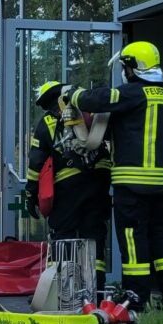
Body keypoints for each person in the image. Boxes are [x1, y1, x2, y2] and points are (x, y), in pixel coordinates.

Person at [62, 41, 163, 310]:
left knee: (133, 242)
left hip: (133, 184)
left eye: (125, 67)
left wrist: (73, 94)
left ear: (133, 67)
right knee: (161, 240)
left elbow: (97, 100)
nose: (124, 72)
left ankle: (135, 298)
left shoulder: (134, 93)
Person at [23, 81, 111, 294]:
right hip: (100, 182)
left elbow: (36, 161)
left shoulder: (48, 121)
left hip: (68, 188)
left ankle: (64, 292)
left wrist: (30, 193)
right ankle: (95, 292)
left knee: (64, 236)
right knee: (94, 237)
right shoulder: (91, 112)